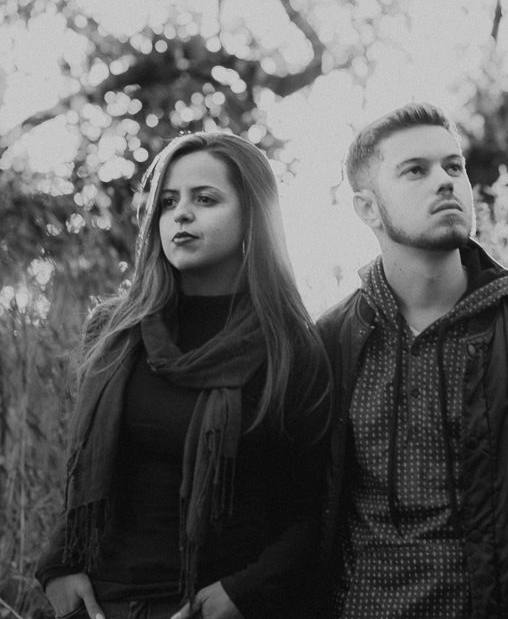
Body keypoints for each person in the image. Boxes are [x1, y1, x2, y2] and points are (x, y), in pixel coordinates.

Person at [316, 103, 508, 619]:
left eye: (454, 166)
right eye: (415, 170)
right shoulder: (331, 343)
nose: (445, 181)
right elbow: (300, 521)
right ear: (368, 209)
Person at [35, 132, 330, 619]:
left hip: (215, 604)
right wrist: (57, 567)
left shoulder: (288, 345)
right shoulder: (116, 331)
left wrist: (241, 593)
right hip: (102, 602)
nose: (181, 215)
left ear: (253, 215)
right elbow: (86, 475)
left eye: (205, 199)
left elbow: (312, 509)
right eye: (168, 202)